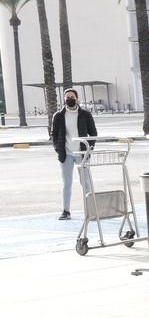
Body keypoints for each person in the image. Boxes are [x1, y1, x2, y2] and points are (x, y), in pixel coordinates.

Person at [51, 88, 97, 220]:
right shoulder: (58, 116)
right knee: (67, 183)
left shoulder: (85, 115)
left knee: (86, 182)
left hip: (82, 153)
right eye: (67, 97)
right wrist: (58, 149)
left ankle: (91, 211)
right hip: (66, 155)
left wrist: (89, 150)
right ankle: (66, 211)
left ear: (77, 99)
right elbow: (54, 135)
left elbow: (93, 133)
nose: (69, 99)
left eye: (72, 97)